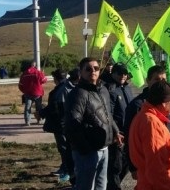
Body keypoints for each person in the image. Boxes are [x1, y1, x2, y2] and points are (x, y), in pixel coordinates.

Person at [64, 57, 123, 190]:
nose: (93, 71)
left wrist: (116, 131)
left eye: (96, 68)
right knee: (86, 186)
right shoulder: (78, 94)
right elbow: (72, 125)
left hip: (104, 148)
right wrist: (85, 148)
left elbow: (107, 115)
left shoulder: (103, 90)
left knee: (101, 186)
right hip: (88, 152)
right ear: (81, 72)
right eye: (88, 69)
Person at [124, 65, 170, 183]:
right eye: (157, 80)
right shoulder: (143, 112)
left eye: (164, 80)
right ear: (148, 81)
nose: (161, 83)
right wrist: (132, 167)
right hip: (156, 174)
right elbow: (154, 164)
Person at [106, 63, 134, 190]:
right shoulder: (110, 89)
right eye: (119, 73)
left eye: (125, 73)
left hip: (129, 132)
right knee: (115, 166)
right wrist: (115, 131)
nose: (123, 76)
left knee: (127, 163)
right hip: (117, 134)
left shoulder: (127, 88)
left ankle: (111, 185)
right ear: (113, 74)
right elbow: (108, 114)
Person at [39, 69, 70, 182]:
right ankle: (64, 168)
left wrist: (42, 112)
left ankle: (67, 171)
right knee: (63, 148)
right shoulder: (66, 86)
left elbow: (55, 107)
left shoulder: (61, 89)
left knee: (64, 148)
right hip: (62, 123)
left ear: (56, 78)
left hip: (60, 124)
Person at [55, 68, 80, 185]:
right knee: (68, 151)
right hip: (69, 126)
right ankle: (70, 175)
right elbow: (61, 108)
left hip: (79, 127)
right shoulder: (66, 89)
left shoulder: (81, 87)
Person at [18, 61, 47, 126]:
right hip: (38, 93)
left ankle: (27, 121)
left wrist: (24, 91)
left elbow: (20, 85)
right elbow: (44, 80)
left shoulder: (24, 74)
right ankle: (39, 120)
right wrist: (43, 74)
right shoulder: (38, 73)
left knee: (27, 107)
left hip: (28, 93)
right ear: (34, 66)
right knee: (38, 107)